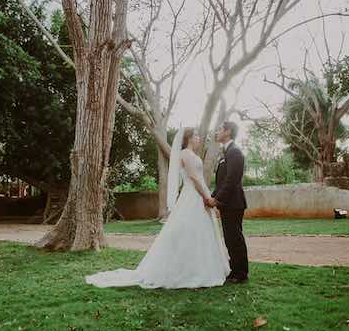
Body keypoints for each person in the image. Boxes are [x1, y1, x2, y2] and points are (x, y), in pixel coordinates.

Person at [86, 128, 230, 289]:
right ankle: (188, 271)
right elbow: (194, 178)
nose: (198, 138)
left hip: (196, 195)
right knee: (190, 230)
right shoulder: (186, 155)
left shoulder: (191, 155)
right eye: (196, 135)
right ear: (189, 138)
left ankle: (200, 267)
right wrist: (206, 197)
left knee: (200, 231)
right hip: (193, 195)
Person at [205, 121, 249, 283]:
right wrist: (210, 196)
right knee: (230, 238)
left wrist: (216, 199)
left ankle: (241, 273)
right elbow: (222, 182)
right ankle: (234, 269)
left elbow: (231, 181)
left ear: (228, 132)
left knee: (235, 238)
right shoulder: (226, 152)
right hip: (227, 204)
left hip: (234, 204)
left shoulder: (235, 152)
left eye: (219, 129)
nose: (216, 132)